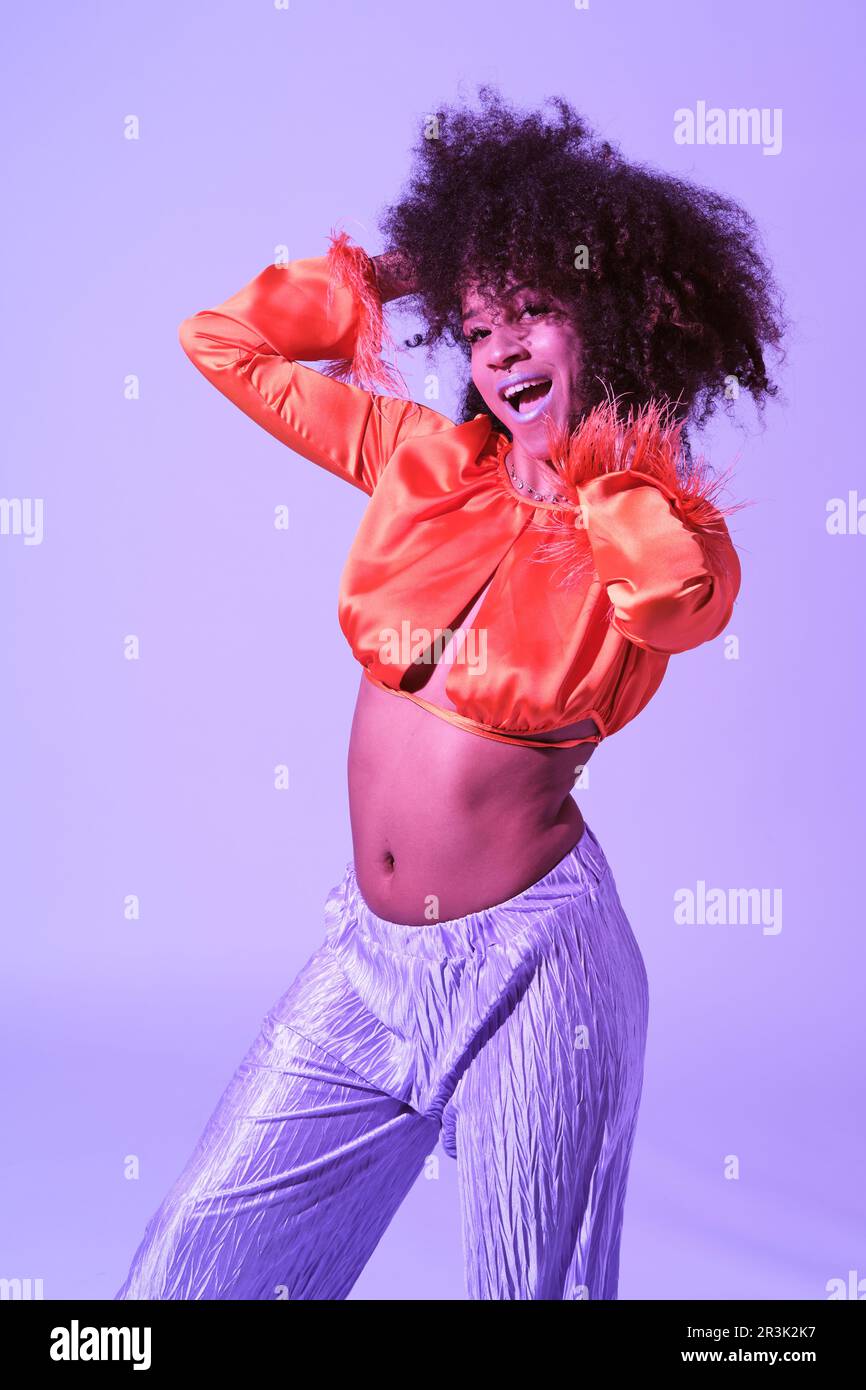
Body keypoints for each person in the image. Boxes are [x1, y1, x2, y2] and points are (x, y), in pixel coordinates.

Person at [114, 87, 784, 1300]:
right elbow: (222, 344)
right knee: (183, 1282)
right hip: (366, 966)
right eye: (478, 327)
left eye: (535, 313)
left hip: (537, 971)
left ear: (614, 324)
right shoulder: (424, 461)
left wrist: (605, 458)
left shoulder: (646, 528)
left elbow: (682, 599)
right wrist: (400, 271)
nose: (500, 350)